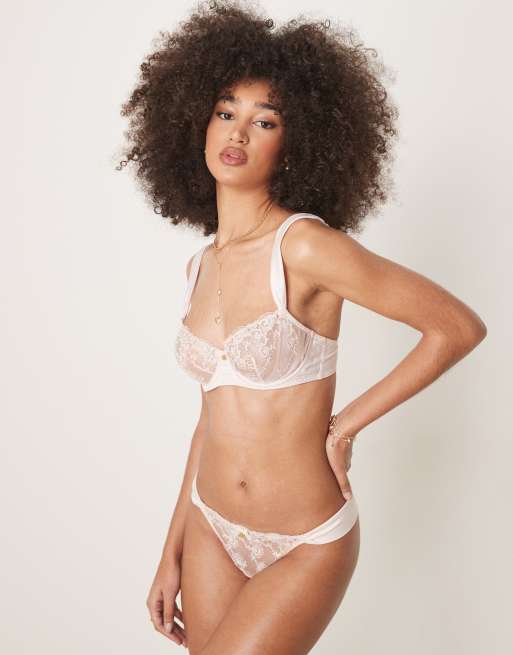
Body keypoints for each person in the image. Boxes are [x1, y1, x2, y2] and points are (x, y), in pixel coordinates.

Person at [116, 1, 487, 652]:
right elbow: (210, 420)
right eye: (225, 112)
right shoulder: (200, 265)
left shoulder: (305, 246)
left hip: (303, 539)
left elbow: (454, 327)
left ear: (294, 144)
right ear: (194, 122)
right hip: (210, 526)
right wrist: (170, 549)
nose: (238, 132)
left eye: (265, 121)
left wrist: (345, 426)